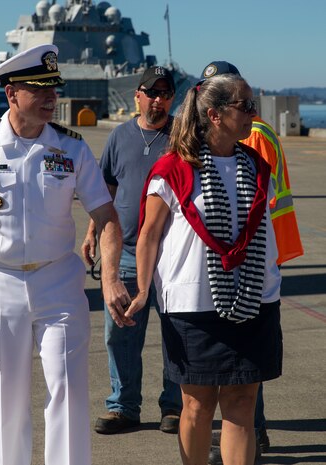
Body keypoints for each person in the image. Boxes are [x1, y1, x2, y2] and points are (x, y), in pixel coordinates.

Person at [0, 44, 132, 465]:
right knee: (10, 400)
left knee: (70, 391)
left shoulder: (71, 148)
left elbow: (106, 216)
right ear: (11, 94)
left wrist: (110, 277)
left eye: (52, 89)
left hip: (59, 282)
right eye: (38, 90)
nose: (50, 99)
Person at [126, 73, 283, 465]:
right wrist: (143, 290)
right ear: (214, 115)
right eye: (245, 106)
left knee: (243, 403)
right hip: (193, 304)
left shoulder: (259, 167)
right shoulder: (174, 169)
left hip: (253, 299)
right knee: (196, 405)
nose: (253, 113)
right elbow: (148, 236)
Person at [198, 61, 304, 462]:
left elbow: (245, 201)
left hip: (255, 255)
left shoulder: (252, 138)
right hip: (264, 248)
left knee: (243, 373)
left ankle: (252, 435)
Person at [81, 66, 182, 435]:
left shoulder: (184, 137)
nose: (158, 99)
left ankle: (175, 406)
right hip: (124, 251)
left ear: (173, 97)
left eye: (165, 92)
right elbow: (105, 190)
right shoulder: (119, 136)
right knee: (120, 332)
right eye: (151, 92)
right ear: (137, 95)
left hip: (172, 256)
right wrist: (93, 231)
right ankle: (123, 406)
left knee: (177, 334)